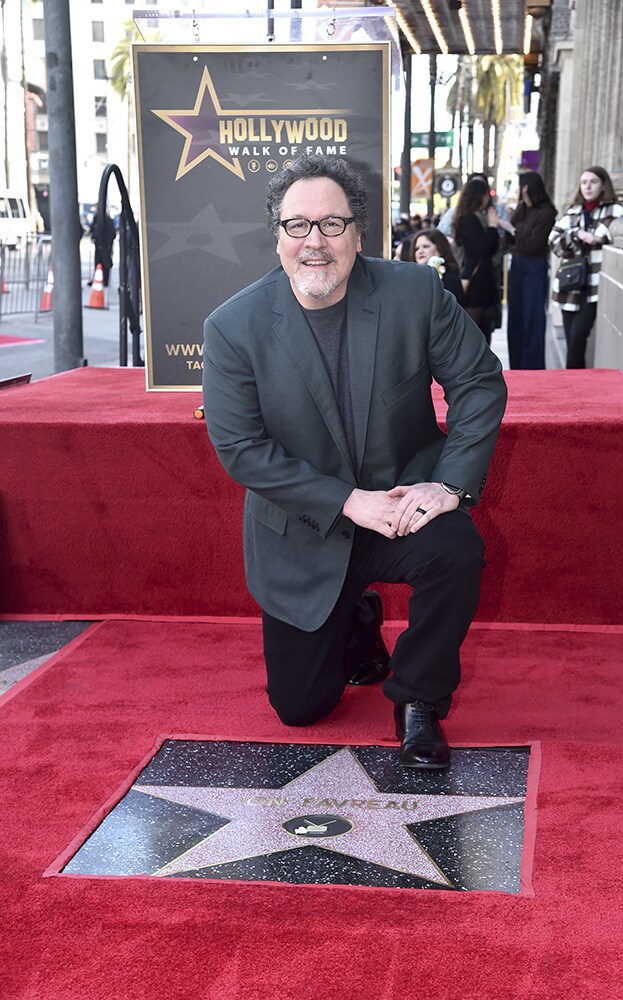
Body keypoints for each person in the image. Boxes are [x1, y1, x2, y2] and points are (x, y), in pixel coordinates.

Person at [203, 154, 507, 770]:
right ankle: (358, 617)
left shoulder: (414, 292)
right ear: (278, 234)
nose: (315, 242)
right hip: (307, 525)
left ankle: (419, 699)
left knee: (457, 550)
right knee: (300, 708)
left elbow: (478, 383)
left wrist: (449, 486)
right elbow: (241, 449)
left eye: (332, 224)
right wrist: (347, 502)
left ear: (359, 233)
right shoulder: (233, 327)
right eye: (298, 226)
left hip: (402, 507)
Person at [549, 165, 623, 368]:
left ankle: (571, 381)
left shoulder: (616, 210)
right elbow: (553, 242)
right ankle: (575, 382)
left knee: (577, 336)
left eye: (593, 182)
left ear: (603, 185)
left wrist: (591, 237)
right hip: (569, 284)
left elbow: (609, 236)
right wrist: (576, 234)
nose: (588, 186)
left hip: (594, 285)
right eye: (584, 182)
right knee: (572, 340)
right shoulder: (572, 212)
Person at [505, 172, 557, 369]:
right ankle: (517, 366)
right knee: (516, 317)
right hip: (517, 265)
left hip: (534, 267)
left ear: (526, 187)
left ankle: (532, 367)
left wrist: (512, 231)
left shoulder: (547, 212)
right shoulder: (522, 210)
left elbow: (534, 245)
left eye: (520, 186)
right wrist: (511, 232)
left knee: (533, 317)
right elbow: (509, 241)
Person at [452, 176, 512, 344]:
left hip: (485, 277)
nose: (488, 199)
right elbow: (480, 248)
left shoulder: (480, 217)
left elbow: (491, 250)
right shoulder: (469, 218)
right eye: (486, 194)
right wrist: (492, 227)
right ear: (478, 196)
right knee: (475, 332)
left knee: (486, 329)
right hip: (476, 279)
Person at [410, 227, 465, 304]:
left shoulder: (451, 279)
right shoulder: (411, 279)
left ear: (440, 249)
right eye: (416, 249)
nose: (420, 251)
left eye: (425, 246)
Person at [89, 209, 116, 287]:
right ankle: (97, 278)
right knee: (98, 262)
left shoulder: (108, 220)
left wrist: (108, 244)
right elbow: (92, 229)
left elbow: (112, 233)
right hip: (98, 244)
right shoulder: (96, 219)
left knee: (105, 263)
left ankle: (105, 280)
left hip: (106, 246)